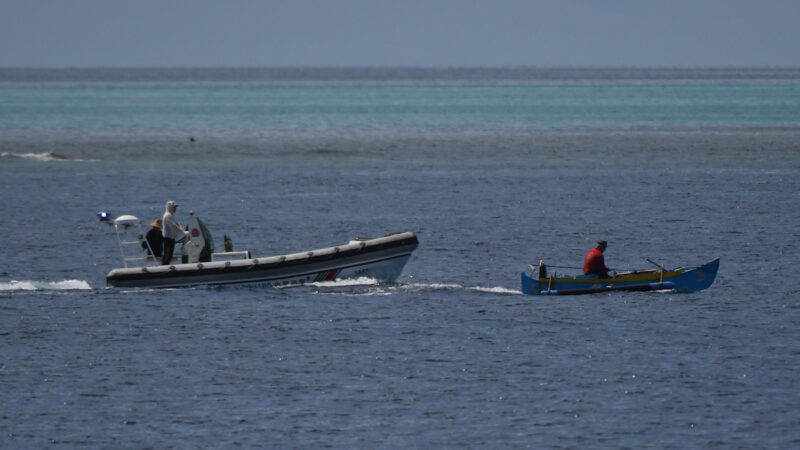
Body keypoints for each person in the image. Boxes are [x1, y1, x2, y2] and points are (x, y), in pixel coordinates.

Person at [161, 201, 189, 265]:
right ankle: (164, 266)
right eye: (174, 207)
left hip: (171, 239)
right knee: (167, 256)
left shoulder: (171, 215)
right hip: (167, 239)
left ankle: (167, 265)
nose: (175, 209)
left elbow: (177, 224)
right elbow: (174, 226)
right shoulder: (167, 215)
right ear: (170, 207)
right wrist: (183, 232)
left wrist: (183, 231)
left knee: (170, 255)